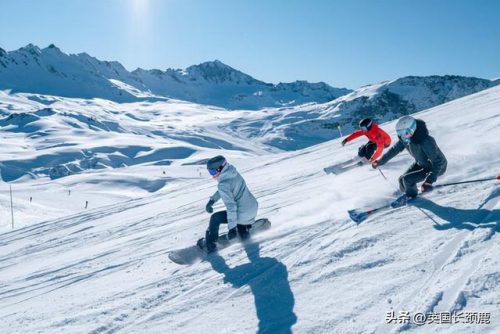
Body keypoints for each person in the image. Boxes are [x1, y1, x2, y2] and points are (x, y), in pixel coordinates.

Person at [372, 116, 447, 204]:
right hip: (421, 163)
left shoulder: (425, 141)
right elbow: (394, 150)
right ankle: (406, 191)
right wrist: (380, 161)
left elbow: (438, 162)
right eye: (400, 133)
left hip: (435, 167)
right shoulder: (405, 139)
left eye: (405, 132)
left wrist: (429, 181)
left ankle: (410, 196)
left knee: (407, 179)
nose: (403, 135)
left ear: (412, 129)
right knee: (401, 180)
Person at [202, 155, 259, 253]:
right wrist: (212, 201)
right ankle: (244, 232)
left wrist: (232, 228)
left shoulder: (223, 184)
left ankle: (211, 245)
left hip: (242, 214)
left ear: (220, 168)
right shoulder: (233, 172)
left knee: (215, 218)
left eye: (212, 171)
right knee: (241, 219)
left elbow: (231, 207)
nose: (212, 175)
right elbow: (226, 189)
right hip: (253, 208)